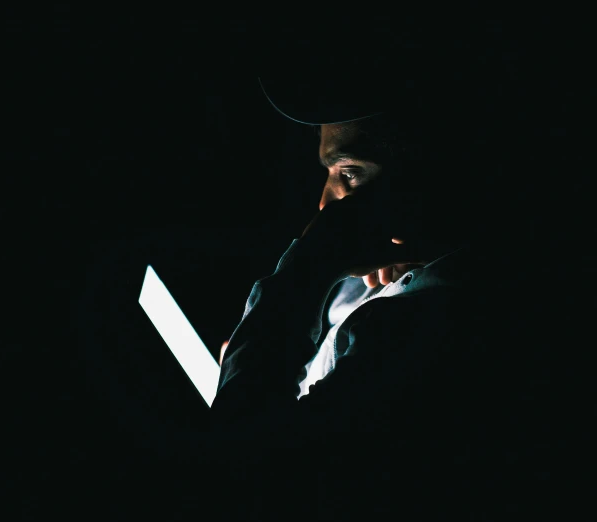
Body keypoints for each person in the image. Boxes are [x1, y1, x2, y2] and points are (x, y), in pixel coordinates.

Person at [205, 20, 587, 521]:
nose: (324, 204)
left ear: (437, 168)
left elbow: (241, 469)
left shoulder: (450, 327)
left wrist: (297, 282)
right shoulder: (377, 279)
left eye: (349, 173)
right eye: (329, 174)